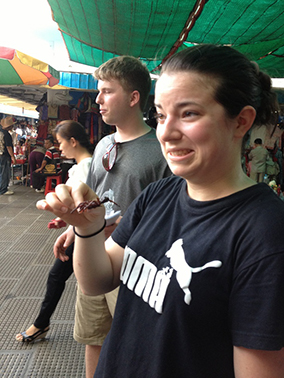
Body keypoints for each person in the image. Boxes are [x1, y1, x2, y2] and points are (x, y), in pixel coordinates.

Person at [38, 45, 284, 377]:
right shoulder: (160, 194)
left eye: (189, 113)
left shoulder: (265, 232)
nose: (166, 133)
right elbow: (98, 280)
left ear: (240, 121)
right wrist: (88, 227)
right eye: (161, 114)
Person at [17, 56, 170, 378]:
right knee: (93, 337)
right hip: (94, 257)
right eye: (99, 91)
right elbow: (95, 203)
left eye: (106, 92)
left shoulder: (160, 149)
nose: (97, 100)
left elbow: (164, 215)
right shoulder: (103, 144)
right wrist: (74, 231)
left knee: (133, 346)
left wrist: (112, 227)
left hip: (134, 266)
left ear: (133, 97)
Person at [16, 120, 94, 342]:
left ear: (72, 141)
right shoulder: (83, 166)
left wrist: (69, 224)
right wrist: (65, 219)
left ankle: (41, 324)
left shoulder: (87, 167)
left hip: (84, 233)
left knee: (57, 276)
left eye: (60, 143)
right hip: (80, 230)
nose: (59, 149)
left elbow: (84, 206)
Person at [0, 116, 16, 195]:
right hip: (4, 156)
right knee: (5, 172)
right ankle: (3, 189)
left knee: (1, 172)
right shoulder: (6, 135)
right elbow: (9, 147)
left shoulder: (0, 132)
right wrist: (13, 157)